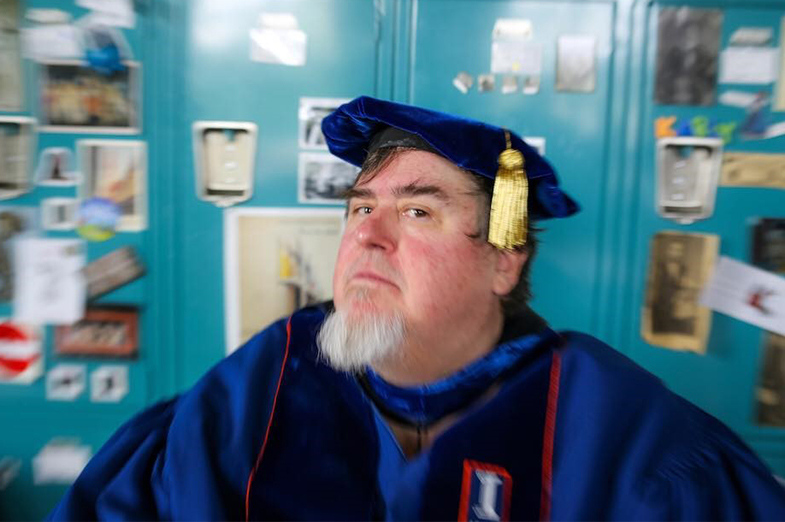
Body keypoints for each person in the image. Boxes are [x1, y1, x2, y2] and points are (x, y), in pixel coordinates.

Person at [48, 96, 785, 521]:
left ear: (502, 259)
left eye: (418, 212)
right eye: (360, 207)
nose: (366, 234)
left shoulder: (629, 441)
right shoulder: (262, 382)